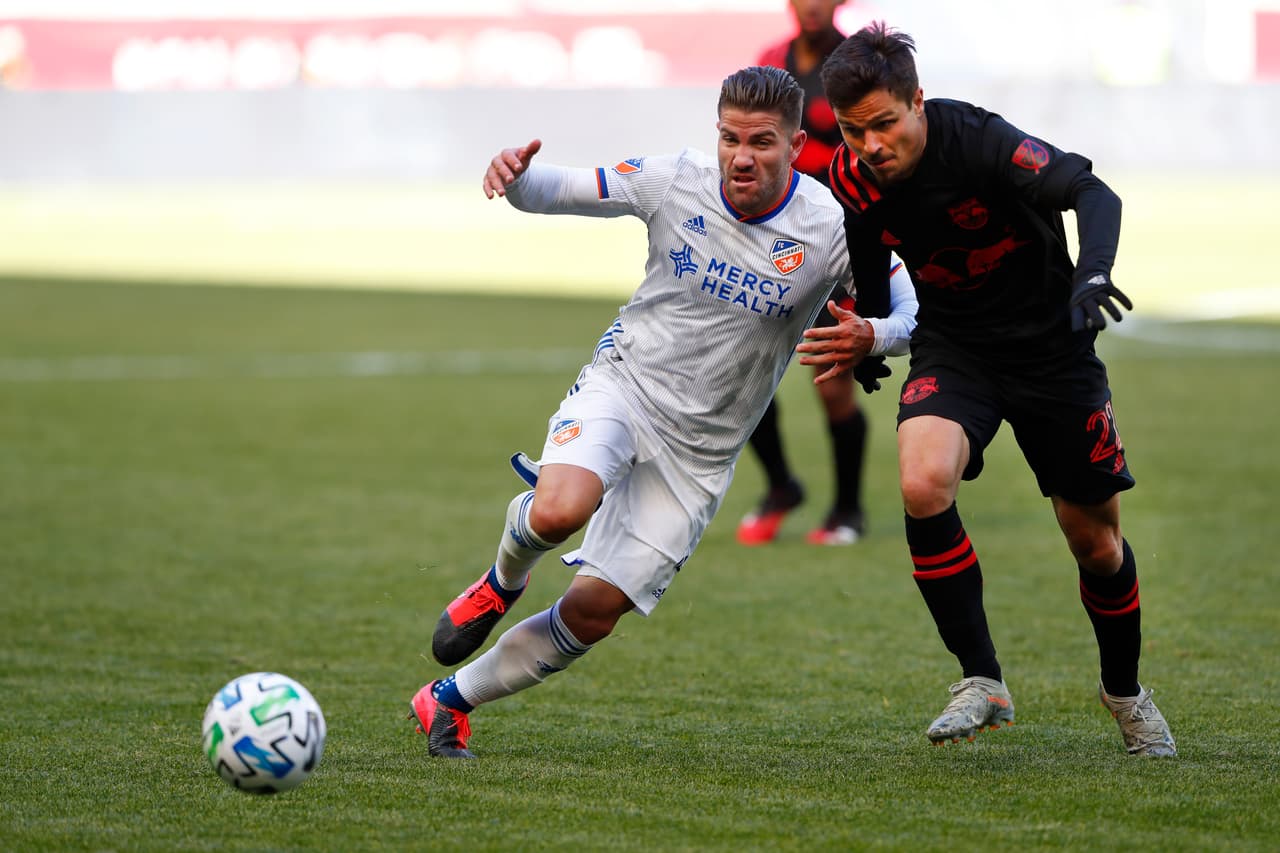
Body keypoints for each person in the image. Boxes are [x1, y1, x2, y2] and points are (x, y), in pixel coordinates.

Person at [408, 64, 918, 759]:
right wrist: (515, 176)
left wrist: (873, 334)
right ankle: (501, 580)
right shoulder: (675, 179)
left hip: (700, 454)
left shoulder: (829, 228)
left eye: (763, 142)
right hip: (626, 387)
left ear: (796, 145)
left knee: (594, 613)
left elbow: (912, 305)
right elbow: (556, 188)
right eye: (730, 138)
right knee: (558, 509)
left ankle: (447, 699)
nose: (742, 156)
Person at [799, 22, 1176, 756]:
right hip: (957, 346)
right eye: (853, 131)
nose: (871, 146)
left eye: (884, 124)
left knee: (1096, 543)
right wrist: (871, 332)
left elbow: (1090, 189)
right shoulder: (851, 177)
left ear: (917, 103)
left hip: (1052, 349)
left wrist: (1093, 270)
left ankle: (1125, 693)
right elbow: (872, 254)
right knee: (922, 479)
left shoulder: (978, 140)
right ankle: (982, 678)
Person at [738, 0, 870, 547]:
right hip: (769, 239)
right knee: (741, 373)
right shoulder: (773, 61)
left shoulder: (862, 62)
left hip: (835, 242)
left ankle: (847, 511)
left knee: (831, 382)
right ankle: (780, 486)